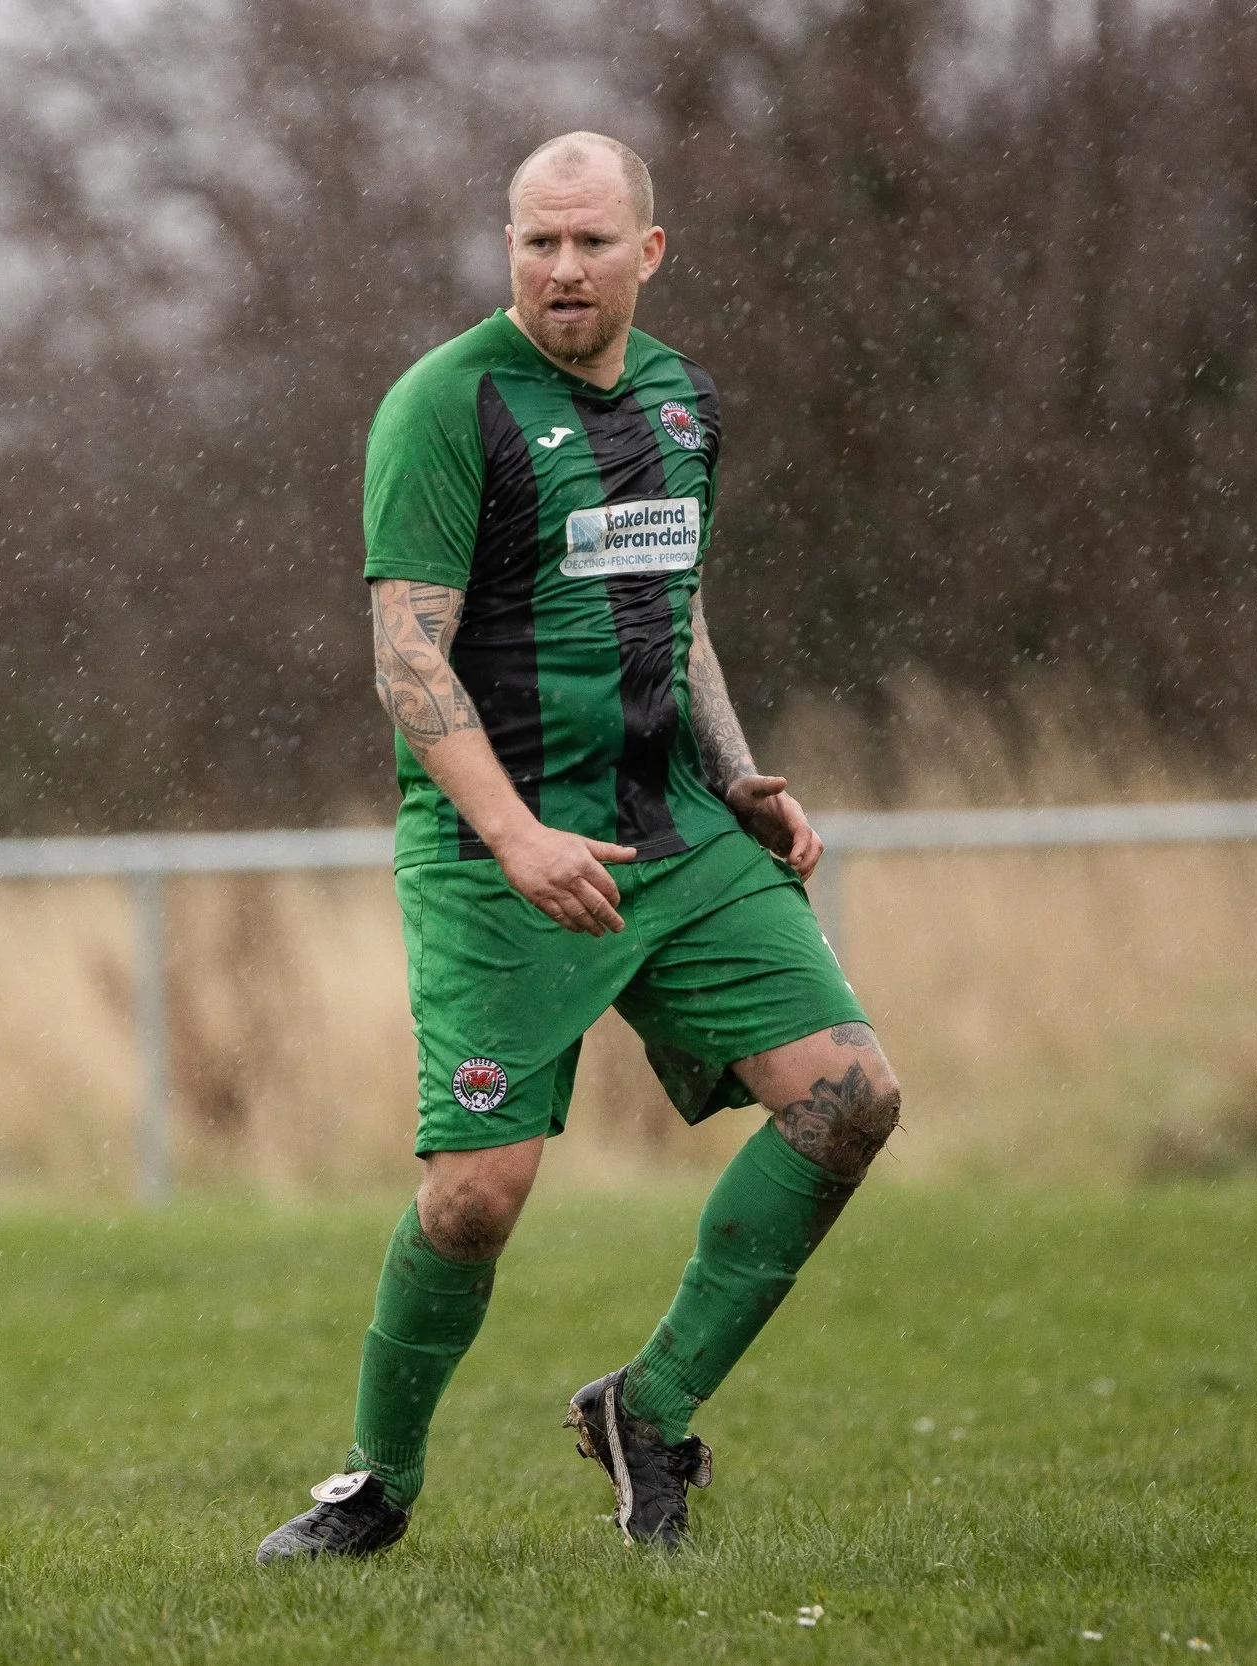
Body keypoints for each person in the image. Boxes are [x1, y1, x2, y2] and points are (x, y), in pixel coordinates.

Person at [257, 131, 903, 1562]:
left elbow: (678, 607)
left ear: (648, 253)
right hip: (500, 855)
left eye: (592, 243)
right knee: (475, 1198)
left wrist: (739, 777)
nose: (562, 268)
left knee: (850, 1095)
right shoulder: (443, 404)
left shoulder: (685, 402)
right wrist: (516, 833)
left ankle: (648, 1410)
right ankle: (375, 1487)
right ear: (508, 246)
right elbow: (407, 661)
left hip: (678, 831)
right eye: (537, 241)